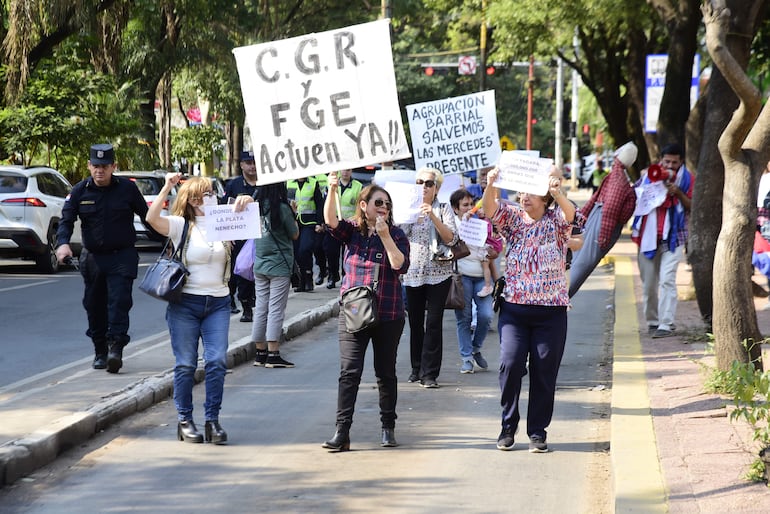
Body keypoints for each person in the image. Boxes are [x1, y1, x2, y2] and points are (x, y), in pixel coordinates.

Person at [482, 165, 585, 452]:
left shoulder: (556, 220)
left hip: (550, 312)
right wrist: (491, 184)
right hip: (515, 309)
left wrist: (557, 192)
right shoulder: (513, 218)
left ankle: (538, 431)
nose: (524, 197)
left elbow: (574, 218)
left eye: (531, 193)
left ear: (544, 197)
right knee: (510, 364)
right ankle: (507, 425)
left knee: (544, 371)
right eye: (522, 192)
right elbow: (490, 209)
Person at [144, 173, 246, 444]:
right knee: (186, 364)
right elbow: (152, 219)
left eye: (212, 193)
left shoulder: (223, 221)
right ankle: (185, 420)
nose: (210, 198)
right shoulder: (181, 225)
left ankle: (212, 420)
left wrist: (246, 201)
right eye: (203, 195)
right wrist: (167, 186)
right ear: (191, 201)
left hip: (219, 303)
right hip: (185, 304)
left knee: (216, 361)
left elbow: (250, 218)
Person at [321, 174, 410, 451]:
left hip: (388, 312)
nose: (383, 207)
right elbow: (331, 221)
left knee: (385, 373)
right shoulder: (353, 231)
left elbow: (400, 265)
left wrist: (384, 236)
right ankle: (342, 432)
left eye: (387, 204)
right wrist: (333, 189)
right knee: (349, 372)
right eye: (378, 202)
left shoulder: (396, 234)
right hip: (354, 312)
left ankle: (388, 427)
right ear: (364, 205)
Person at [55, 144, 154, 373]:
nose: (100, 171)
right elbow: (66, 220)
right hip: (93, 259)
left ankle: (115, 349)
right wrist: (63, 244)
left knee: (119, 302)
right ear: (89, 166)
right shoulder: (80, 191)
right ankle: (100, 351)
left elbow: (147, 217)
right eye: (96, 166)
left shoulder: (127, 190)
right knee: (94, 305)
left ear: (113, 167)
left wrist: (169, 238)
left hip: (122, 255)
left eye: (105, 166)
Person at [399, 167, 458, 389]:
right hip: (413, 274)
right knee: (415, 322)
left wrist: (432, 216)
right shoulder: (408, 208)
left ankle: (430, 373)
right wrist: (411, 214)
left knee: (433, 323)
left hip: (438, 274)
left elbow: (451, 239)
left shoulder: (443, 209)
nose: (423, 186)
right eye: (420, 182)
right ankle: (416, 367)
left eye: (428, 183)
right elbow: (400, 234)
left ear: (437, 188)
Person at [631, 143, 694, 338]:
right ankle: (652, 321)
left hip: (674, 237)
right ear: (661, 160)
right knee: (649, 283)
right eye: (667, 161)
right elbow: (635, 198)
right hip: (648, 237)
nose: (670, 166)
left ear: (681, 161)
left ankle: (666, 324)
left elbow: (692, 204)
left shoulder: (688, 179)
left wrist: (678, 193)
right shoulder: (649, 176)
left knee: (667, 280)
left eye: (675, 162)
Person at [243, 183, 299, 367]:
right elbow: (294, 234)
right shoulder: (282, 209)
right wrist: (293, 213)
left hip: (259, 264)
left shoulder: (255, 209)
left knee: (261, 307)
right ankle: (273, 353)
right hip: (279, 265)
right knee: (276, 309)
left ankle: (260, 352)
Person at [449, 189, 498, 374]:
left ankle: (476, 348)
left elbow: (494, 248)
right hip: (462, 277)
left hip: (482, 277)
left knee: (485, 316)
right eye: (465, 205)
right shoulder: (452, 225)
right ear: (456, 209)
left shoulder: (481, 224)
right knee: (464, 318)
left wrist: (492, 250)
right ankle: (467, 358)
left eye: (471, 204)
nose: (469, 208)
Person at [224, 151, 259, 321]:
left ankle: (256, 302)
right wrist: (227, 235)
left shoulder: (265, 185)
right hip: (240, 236)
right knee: (242, 271)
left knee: (260, 272)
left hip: (262, 236)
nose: (252, 166)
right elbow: (224, 210)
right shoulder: (234, 185)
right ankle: (246, 307)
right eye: (248, 162)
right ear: (242, 165)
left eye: (254, 162)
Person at [321, 168, 362, 288]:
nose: (345, 172)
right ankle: (332, 276)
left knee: (348, 254)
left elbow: (359, 207)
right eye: (343, 170)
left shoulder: (358, 186)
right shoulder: (332, 185)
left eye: (348, 170)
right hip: (334, 225)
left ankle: (346, 277)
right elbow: (325, 203)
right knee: (331, 252)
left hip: (349, 227)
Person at [287, 175, 325, 292]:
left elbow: (319, 204)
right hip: (293, 221)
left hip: (309, 222)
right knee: (296, 252)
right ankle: (301, 281)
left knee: (305, 249)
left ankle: (308, 277)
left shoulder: (313, 182)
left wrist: (320, 222)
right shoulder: (288, 183)